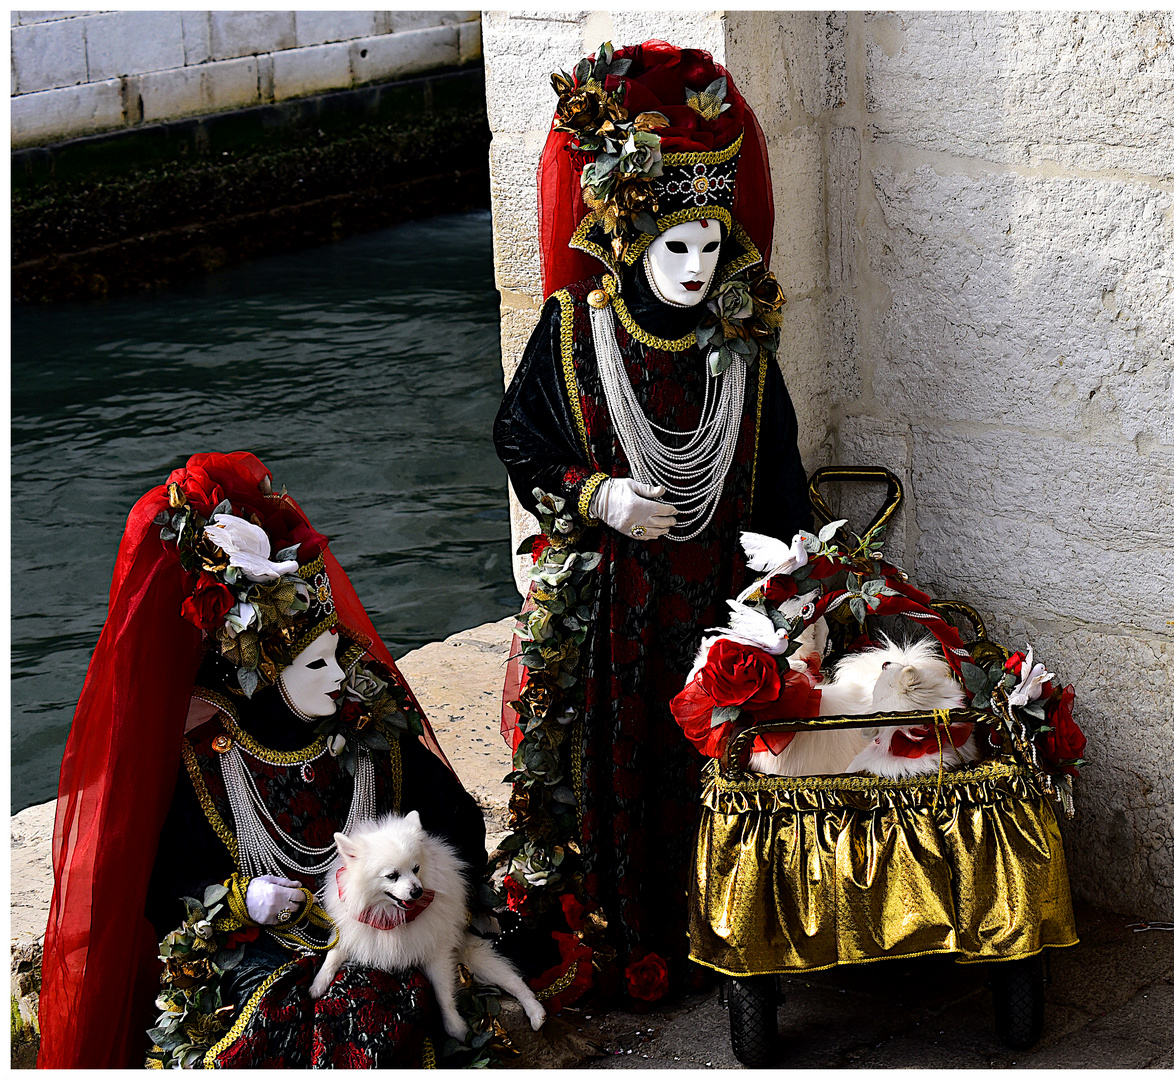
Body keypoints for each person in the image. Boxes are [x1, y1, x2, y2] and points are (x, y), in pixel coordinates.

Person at [491, 40, 813, 1003]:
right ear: (634, 241)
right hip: (613, 601)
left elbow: (778, 462)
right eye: (676, 248)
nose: (696, 270)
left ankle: (727, 928)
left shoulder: (742, 342)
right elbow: (518, 437)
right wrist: (602, 497)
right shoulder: (572, 330)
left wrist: (789, 555)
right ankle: (623, 932)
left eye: (712, 249)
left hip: (715, 588)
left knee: (713, 755)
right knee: (616, 756)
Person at [39, 452, 485, 1068]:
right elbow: (166, 882)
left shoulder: (373, 733)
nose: (339, 679)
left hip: (380, 938)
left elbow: (456, 821)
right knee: (269, 1021)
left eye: (337, 658)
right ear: (270, 676)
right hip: (261, 947)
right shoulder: (211, 759)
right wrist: (242, 898)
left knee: (371, 1009)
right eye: (318, 666)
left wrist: (420, 899)